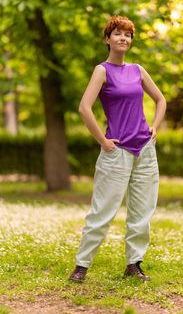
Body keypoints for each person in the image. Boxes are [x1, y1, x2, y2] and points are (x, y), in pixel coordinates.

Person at [69, 15, 166, 283]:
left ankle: (134, 264)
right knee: (102, 211)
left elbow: (160, 100)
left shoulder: (137, 70)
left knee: (142, 211)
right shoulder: (102, 70)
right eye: (118, 34)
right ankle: (81, 266)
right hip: (117, 150)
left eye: (128, 35)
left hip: (144, 150)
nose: (123, 38)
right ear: (108, 39)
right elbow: (84, 107)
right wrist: (102, 141)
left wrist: (154, 127)